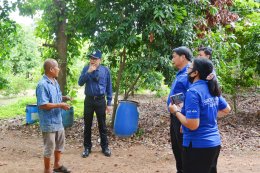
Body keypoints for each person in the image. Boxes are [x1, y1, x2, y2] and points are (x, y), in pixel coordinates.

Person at [169, 58, 231, 173]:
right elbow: (226, 109)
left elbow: (193, 125)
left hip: (197, 146)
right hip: (214, 144)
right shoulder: (211, 88)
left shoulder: (193, 92)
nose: (187, 70)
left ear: (195, 73)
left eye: (190, 67)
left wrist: (175, 111)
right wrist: (202, 116)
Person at [36, 59, 71, 173]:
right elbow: (43, 104)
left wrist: (64, 98)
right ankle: (47, 170)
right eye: (57, 67)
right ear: (51, 69)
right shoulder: (42, 85)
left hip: (58, 120)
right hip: (48, 122)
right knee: (49, 147)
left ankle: (56, 166)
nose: (59, 69)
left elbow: (55, 98)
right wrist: (60, 105)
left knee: (60, 145)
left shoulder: (55, 82)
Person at [78, 49, 112, 157]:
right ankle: (87, 148)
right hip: (89, 100)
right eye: (91, 58)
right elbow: (80, 82)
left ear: (99, 60)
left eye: (95, 58)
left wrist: (109, 102)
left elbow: (109, 87)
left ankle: (105, 147)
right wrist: (88, 72)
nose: (92, 60)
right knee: (87, 125)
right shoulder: (85, 69)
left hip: (101, 101)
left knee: (102, 125)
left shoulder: (105, 70)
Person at [167, 46, 192, 173]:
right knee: (176, 147)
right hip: (175, 115)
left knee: (183, 148)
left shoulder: (190, 74)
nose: (173, 58)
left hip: (182, 117)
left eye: (174, 56)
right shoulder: (180, 73)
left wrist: (185, 119)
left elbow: (191, 97)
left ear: (183, 57)